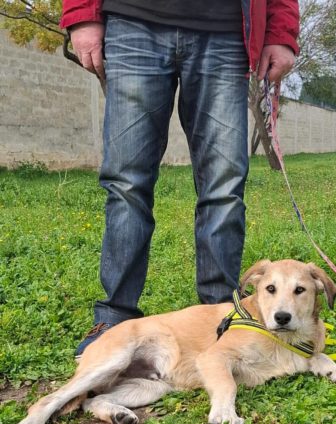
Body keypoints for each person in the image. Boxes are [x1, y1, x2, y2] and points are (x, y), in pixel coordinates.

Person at [60, 1, 299, 359]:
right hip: (132, 20)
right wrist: (82, 14)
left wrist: (280, 33)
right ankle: (114, 318)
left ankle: (222, 316)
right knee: (127, 183)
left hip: (227, 31)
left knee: (224, 186)